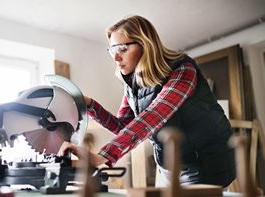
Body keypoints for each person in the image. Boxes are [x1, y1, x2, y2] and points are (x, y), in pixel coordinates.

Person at [59, 15, 235, 187]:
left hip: (207, 162)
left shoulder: (182, 69)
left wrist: (105, 155)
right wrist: (89, 104)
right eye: (112, 50)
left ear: (146, 45)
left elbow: (155, 115)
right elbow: (124, 128)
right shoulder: (133, 84)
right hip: (170, 165)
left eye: (122, 48)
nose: (116, 57)